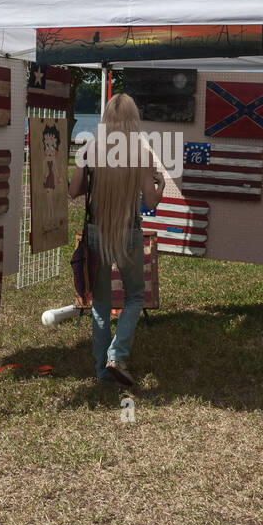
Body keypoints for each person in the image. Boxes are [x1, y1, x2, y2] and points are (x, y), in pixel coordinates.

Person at [68, 94, 166, 387]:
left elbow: (74, 191)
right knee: (135, 296)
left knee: (100, 303)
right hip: (130, 232)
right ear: (132, 120)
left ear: (106, 119)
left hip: (96, 230)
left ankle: (102, 371)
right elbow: (151, 201)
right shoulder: (142, 153)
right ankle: (116, 355)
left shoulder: (89, 150)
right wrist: (159, 184)